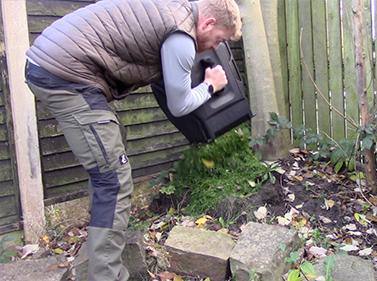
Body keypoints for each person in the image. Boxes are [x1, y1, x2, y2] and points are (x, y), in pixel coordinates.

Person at [24, 0, 242, 280]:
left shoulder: (175, 11)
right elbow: (180, 104)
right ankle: (106, 274)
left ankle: (103, 248)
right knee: (113, 177)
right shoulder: (181, 36)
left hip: (59, 66)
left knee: (111, 153)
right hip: (64, 75)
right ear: (209, 23)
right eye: (218, 40)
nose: (214, 47)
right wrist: (210, 85)